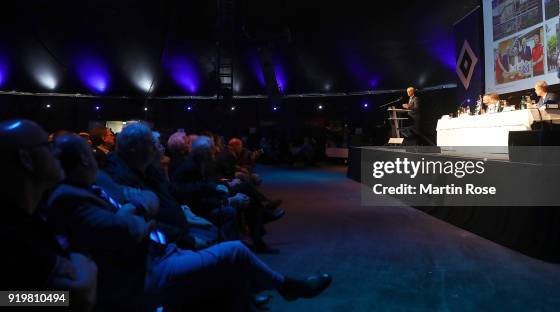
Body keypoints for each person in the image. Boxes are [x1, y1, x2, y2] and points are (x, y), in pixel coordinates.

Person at [47, 134, 332, 311]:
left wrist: (138, 210)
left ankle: (260, 289)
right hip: (145, 268)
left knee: (230, 261)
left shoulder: (103, 180)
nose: (160, 150)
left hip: (161, 247)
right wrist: (138, 207)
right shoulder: (70, 195)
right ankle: (286, 286)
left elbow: (153, 205)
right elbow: (127, 227)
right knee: (232, 248)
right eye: (154, 145)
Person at [0, 120, 98, 311]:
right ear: (26, 159)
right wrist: (64, 297)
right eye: (48, 146)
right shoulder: (8, 236)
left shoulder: (39, 212)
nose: (58, 152)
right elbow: (6, 298)